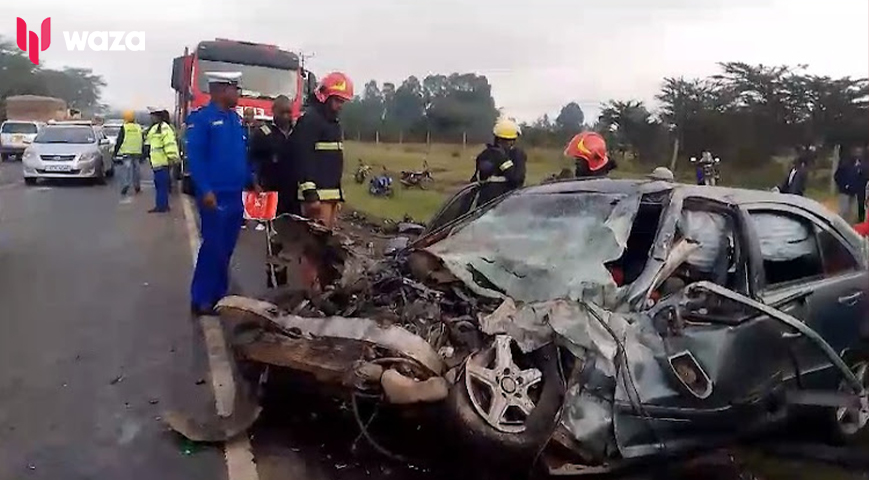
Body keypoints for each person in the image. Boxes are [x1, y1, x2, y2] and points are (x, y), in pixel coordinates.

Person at [186, 71, 260, 315]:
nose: (237, 94)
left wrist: (251, 181)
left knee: (227, 247)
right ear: (219, 90)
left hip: (234, 193)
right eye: (233, 89)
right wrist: (205, 189)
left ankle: (219, 293)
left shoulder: (234, 120)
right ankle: (201, 297)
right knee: (213, 246)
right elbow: (196, 157)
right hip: (214, 195)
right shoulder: (203, 119)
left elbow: (240, 156)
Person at [248, 96, 299, 288]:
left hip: (293, 194)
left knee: (293, 238)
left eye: (289, 112)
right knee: (274, 239)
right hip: (270, 192)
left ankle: (286, 275)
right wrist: (255, 183)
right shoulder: (263, 134)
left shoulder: (297, 133)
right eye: (282, 112)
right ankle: (275, 281)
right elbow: (252, 162)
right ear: (273, 112)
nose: (286, 116)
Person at [293, 71, 354, 228]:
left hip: (329, 197)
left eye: (343, 102)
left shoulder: (333, 123)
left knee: (325, 245)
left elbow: (332, 162)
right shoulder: (310, 120)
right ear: (324, 96)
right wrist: (310, 195)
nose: (340, 106)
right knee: (313, 246)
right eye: (337, 100)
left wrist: (337, 197)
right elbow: (303, 159)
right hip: (316, 198)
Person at [471, 118, 527, 205]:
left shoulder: (485, 154)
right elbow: (516, 179)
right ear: (512, 140)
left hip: (482, 203)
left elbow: (475, 179)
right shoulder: (506, 156)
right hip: (503, 203)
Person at [144, 107, 180, 213]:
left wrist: (172, 158)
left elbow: (169, 144)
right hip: (156, 162)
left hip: (163, 162)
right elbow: (148, 143)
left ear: (158, 116)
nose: (151, 118)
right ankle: (162, 205)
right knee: (159, 185)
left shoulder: (165, 128)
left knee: (162, 185)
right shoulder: (154, 129)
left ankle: (161, 206)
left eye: (153, 116)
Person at [113, 110, 144, 196]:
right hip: (137, 152)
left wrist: (115, 152)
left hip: (126, 151)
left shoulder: (124, 127)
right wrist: (144, 153)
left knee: (126, 169)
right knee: (136, 170)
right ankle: (137, 186)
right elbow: (142, 140)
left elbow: (119, 140)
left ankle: (126, 184)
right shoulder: (138, 127)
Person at [834, 146, 868, 222]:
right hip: (844, 192)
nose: (858, 154)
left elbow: (864, 179)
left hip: (855, 193)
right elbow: (837, 176)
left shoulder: (863, 166)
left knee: (852, 213)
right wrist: (843, 186)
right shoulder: (845, 164)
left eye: (859, 153)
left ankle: (848, 228)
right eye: (856, 152)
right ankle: (839, 225)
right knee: (844, 211)